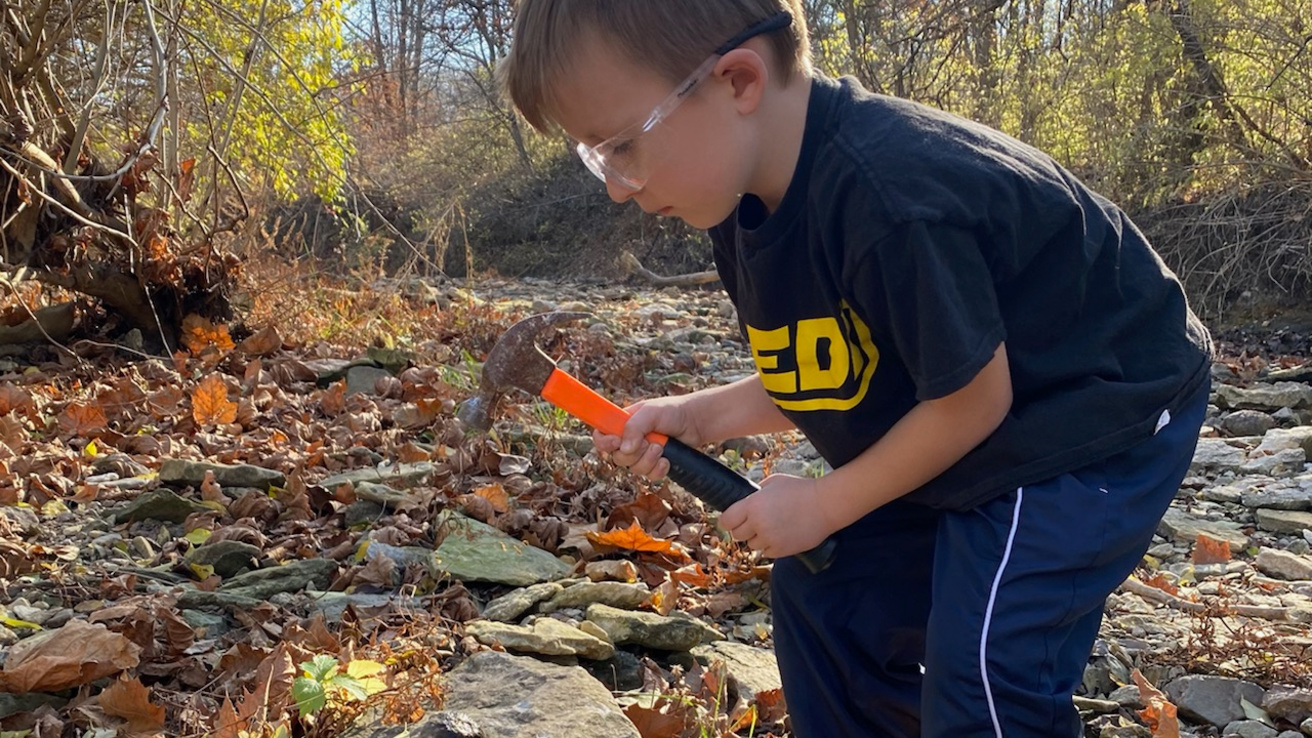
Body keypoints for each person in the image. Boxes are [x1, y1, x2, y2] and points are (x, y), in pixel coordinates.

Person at [498, 2, 1213, 736]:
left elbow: (971, 401)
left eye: (622, 146)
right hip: (977, 399)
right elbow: (839, 365)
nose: (617, 185)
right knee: (827, 591)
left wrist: (825, 503)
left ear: (738, 81)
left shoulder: (891, 198)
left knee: (987, 666)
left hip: (1093, 403)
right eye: (597, 159)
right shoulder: (741, 206)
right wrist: (696, 417)